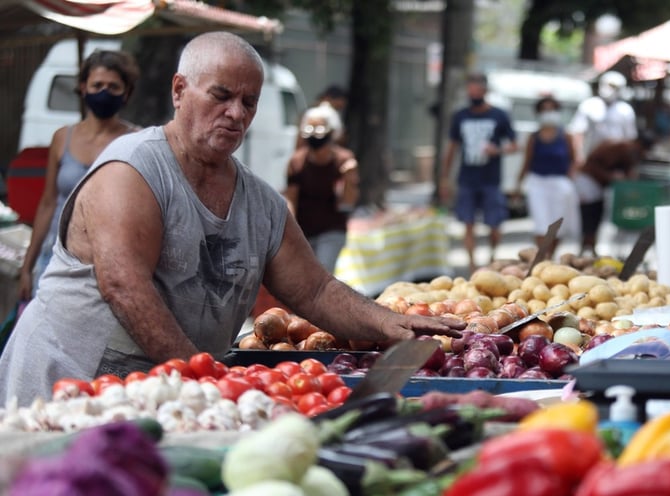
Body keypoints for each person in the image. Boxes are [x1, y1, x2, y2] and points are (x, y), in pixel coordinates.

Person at [0, 32, 462, 406]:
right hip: (67, 386)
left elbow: (316, 290)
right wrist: (211, 382)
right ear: (179, 91)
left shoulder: (260, 202)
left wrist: (391, 324)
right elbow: (124, 285)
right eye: (221, 96)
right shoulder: (133, 169)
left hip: (161, 394)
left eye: (249, 102)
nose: (235, 113)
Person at [18, 49, 139, 300]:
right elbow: (48, 203)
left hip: (102, 267)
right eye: (97, 85)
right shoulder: (63, 137)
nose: (104, 92)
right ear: (83, 88)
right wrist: (27, 267)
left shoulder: (137, 142)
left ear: (126, 93)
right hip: (53, 258)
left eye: (113, 86)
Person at [440, 73, 517, 271]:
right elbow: (452, 147)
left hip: (491, 179)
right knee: (467, 223)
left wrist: (497, 150)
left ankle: (492, 259)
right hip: (467, 179)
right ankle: (472, 266)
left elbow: (515, 145)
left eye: (477, 88)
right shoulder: (461, 116)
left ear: (485, 90)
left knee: (494, 225)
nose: (473, 92)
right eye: (470, 89)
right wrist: (445, 178)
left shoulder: (499, 115)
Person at [284, 104, 359, 273]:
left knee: (322, 272)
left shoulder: (343, 160)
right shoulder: (297, 162)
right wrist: (290, 229)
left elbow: (347, 202)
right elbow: (291, 198)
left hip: (332, 228)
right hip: (305, 230)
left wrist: (349, 178)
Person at [514, 96, 579, 251]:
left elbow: (574, 161)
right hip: (538, 183)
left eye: (552, 109)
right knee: (541, 223)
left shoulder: (566, 136)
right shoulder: (534, 137)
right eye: (545, 109)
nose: (549, 113)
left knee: (558, 224)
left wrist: (572, 182)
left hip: (560, 183)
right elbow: (526, 162)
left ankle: (551, 255)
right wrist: (518, 186)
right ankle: (542, 256)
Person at [574, 135, 652, 257]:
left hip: (599, 186)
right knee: (589, 215)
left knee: (596, 215)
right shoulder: (616, 148)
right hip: (589, 182)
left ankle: (590, 247)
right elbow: (593, 165)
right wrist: (609, 176)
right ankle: (586, 247)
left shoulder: (629, 153)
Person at [569, 71, 637, 162]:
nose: (610, 89)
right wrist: (578, 157)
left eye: (614, 87)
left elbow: (629, 138)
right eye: (609, 85)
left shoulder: (626, 110)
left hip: (613, 161)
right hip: (590, 157)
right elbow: (577, 132)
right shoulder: (589, 105)